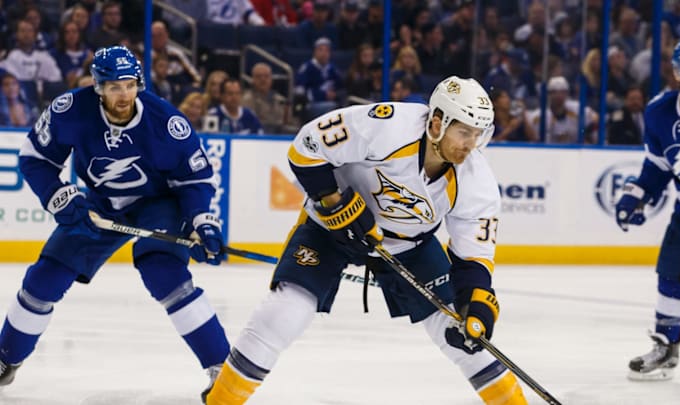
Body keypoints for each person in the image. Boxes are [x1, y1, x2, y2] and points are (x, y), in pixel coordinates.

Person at [204, 76, 529, 404]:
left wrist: (477, 305)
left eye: (478, 134)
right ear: (436, 123)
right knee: (285, 314)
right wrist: (334, 203)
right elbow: (306, 146)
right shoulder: (386, 126)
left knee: (461, 335)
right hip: (328, 230)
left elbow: (472, 261)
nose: (471, 144)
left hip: (410, 246)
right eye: (464, 132)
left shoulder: (478, 182)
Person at [0, 46, 231, 397]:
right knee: (43, 281)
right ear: (98, 87)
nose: (122, 95)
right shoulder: (71, 110)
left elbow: (194, 180)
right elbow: (35, 158)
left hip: (159, 203)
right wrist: (59, 196)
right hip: (100, 204)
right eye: (113, 87)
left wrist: (202, 222)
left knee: (165, 274)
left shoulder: (167, 124)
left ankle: (221, 369)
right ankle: (6, 358)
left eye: (128, 85)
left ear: (138, 83)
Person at [615, 38, 680, 390]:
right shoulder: (659, 111)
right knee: (671, 275)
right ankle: (666, 348)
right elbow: (657, 167)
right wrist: (635, 196)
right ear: (678, 74)